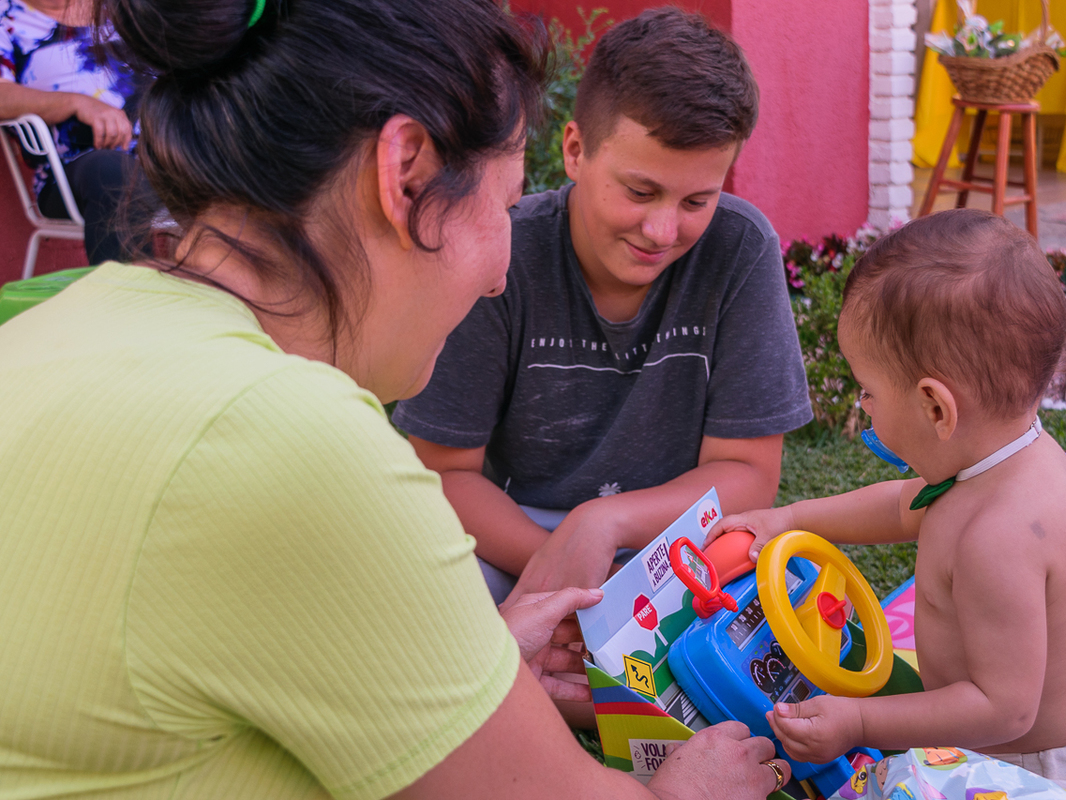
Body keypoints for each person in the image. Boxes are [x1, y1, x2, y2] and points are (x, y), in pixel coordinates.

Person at [0, 1, 792, 798]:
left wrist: (477, 656)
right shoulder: (299, 446)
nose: (498, 273)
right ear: (407, 172)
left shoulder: (49, 328)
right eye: (506, 202)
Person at [705, 209, 1066, 800]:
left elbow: (1004, 710)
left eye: (868, 390)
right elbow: (901, 507)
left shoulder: (999, 537)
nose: (864, 406)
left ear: (936, 409)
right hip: (1047, 747)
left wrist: (860, 723)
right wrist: (790, 518)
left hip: (1047, 780)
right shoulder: (1000, 456)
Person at [393, 7, 811, 605]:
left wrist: (604, 523)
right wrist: (569, 577)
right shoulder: (504, 252)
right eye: (640, 191)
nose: (663, 229)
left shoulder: (739, 248)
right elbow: (444, 473)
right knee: (421, 602)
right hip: (514, 542)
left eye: (698, 199)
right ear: (574, 150)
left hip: (678, 549)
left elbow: (747, 476)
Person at [0, 0, 150, 264]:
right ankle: (128, 301)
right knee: (112, 172)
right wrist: (73, 102)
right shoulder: (7, 15)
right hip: (73, 179)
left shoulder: (128, 7)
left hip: (167, 162)